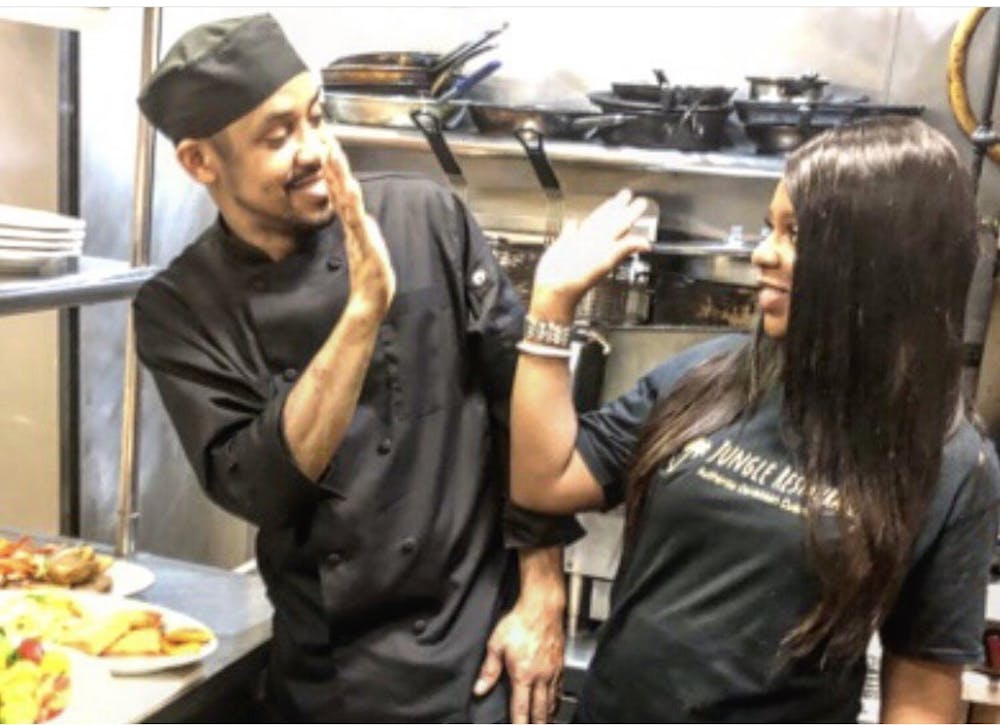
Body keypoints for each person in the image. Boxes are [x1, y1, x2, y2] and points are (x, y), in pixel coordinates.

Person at [131, 13, 583, 723]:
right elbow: (261, 489)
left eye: (316, 116)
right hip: (328, 679)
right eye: (278, 136)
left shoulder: (426, 216)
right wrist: (364, 310)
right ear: (200, 162)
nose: (315, 149)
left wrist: (544, 595)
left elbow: (519, 407)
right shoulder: (181, 308)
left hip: (477, 657)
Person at [510, 116, 1000, 722]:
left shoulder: (950, 459)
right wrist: (552, 304)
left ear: (877, 259)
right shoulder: (711, 376)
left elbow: (922, 693)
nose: (762, 253)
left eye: (796, 234)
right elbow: (545, 480)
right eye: (771, 228)